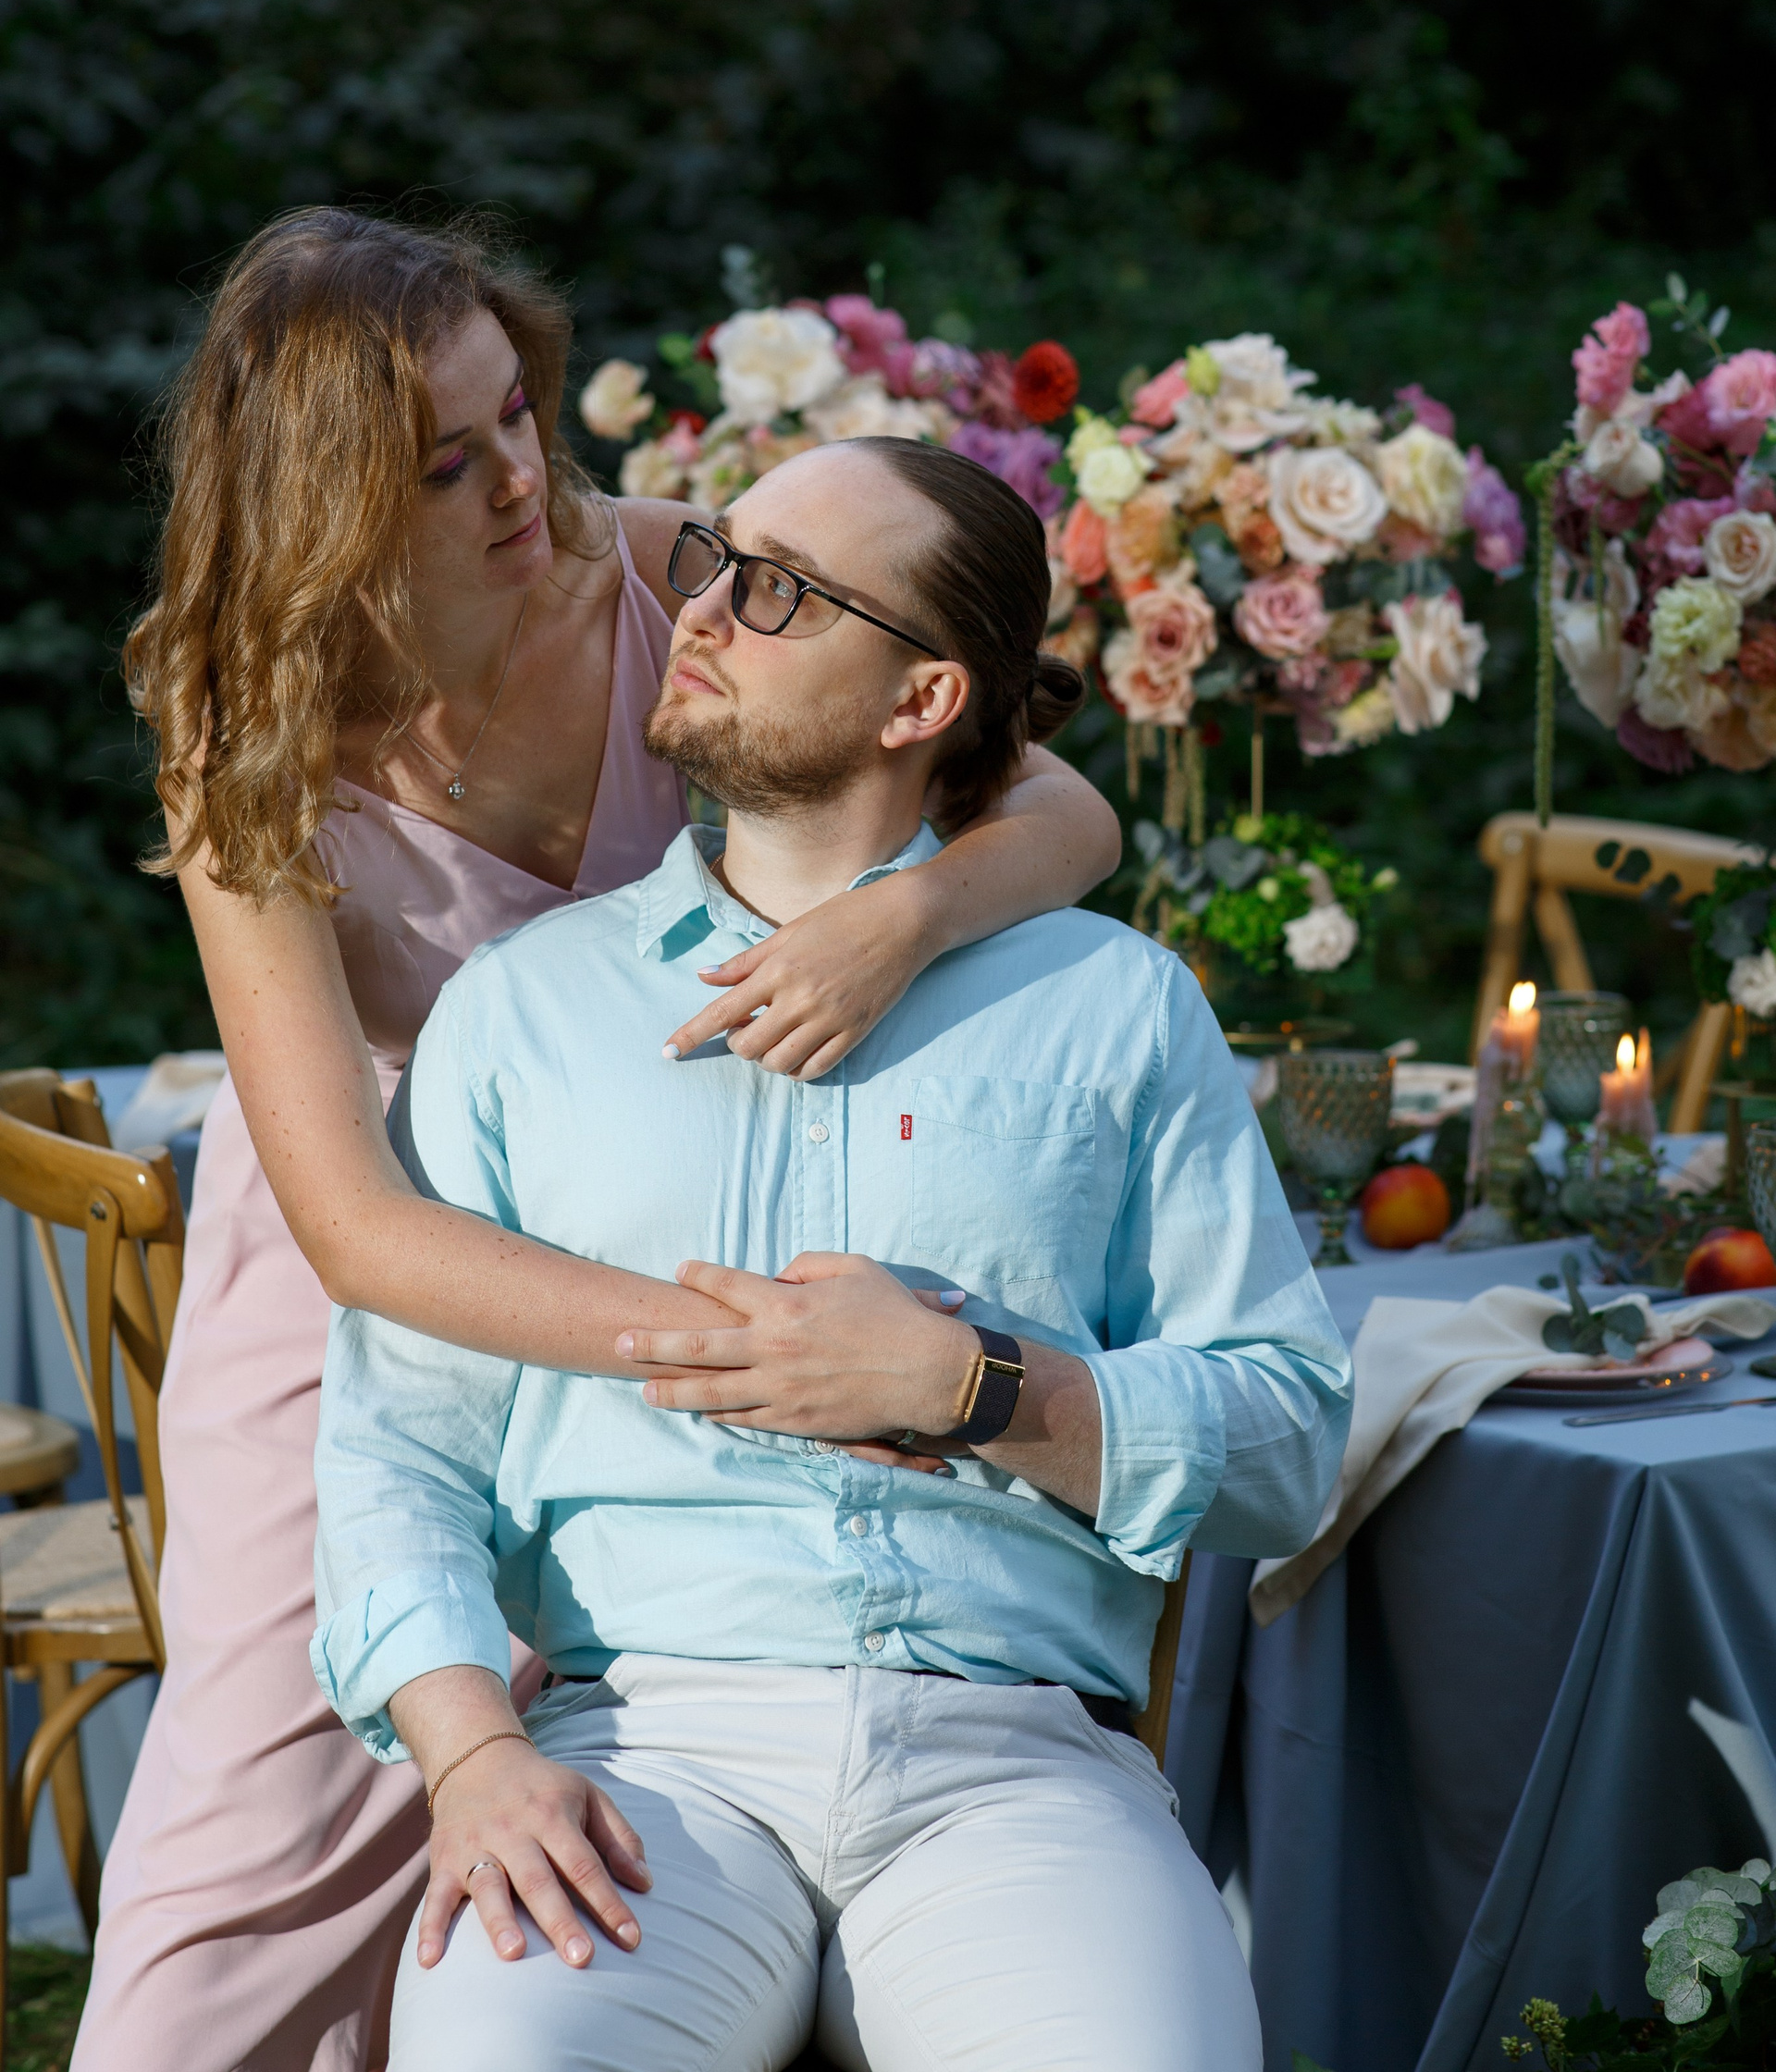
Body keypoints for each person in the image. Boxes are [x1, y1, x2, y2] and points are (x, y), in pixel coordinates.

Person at [74, 213, 1120, 2072]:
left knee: (627, 1819)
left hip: (690, 1217)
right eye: (445, 465)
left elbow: (1069, 816)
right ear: (324, 506)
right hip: (374, 1296)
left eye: (519, 413)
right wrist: (743, 1352)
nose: (518, 481)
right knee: (243, 1866)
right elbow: (356, 1231)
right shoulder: (246, 720)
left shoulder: (654, 575)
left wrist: (901, 921)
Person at [311, 436, 1353, 2072]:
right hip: (640, 1748)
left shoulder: (1113, 1006)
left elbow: (1290, 1446)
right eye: (719, 560)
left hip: (1017, 1771)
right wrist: (472, 1756)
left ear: (921, 700)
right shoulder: (522, 1011)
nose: (705, 609)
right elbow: (396, 1453)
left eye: (783, 592)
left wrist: (974, 1384)